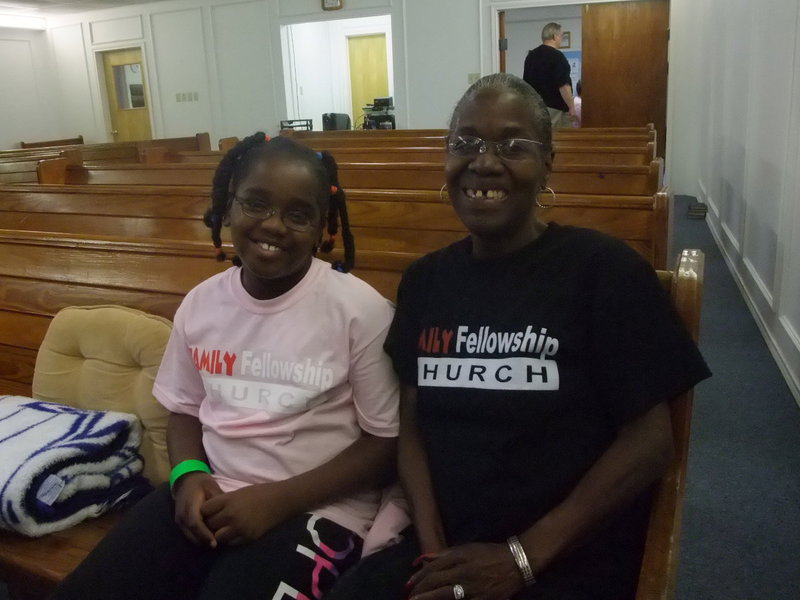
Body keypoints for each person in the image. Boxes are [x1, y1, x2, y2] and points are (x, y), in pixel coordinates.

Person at [325, 73, 710, 600]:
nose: (484, 162)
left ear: (548, 161)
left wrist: (520, 560)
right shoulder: (426, 280)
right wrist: (435, 555)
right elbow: (412, 425)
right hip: (445, 553)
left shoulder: (604, 271)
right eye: (465, 143)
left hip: (565, 555)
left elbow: (649, 443)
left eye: (512, 145)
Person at [53, 133, 400, 600]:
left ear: (323, 228)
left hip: (318, 511)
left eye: (298, 215)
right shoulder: (202, 304)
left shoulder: (360, 311)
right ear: (227, 208)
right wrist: (189, 476)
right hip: (210, 495)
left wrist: (276, 501)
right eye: (256, 204)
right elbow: (184, 411)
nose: (273, 225)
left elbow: (385, 444)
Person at [523, 22, 578, 128]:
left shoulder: (531, 56)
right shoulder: (558, 57)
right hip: (555, 111)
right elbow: (563, 85)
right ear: (554, 36)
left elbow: (526, 85)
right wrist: (572, 107)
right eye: (561, 36)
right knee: (559, 142)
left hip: (534, 110)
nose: (561, 39)